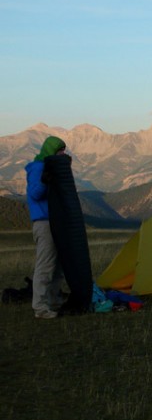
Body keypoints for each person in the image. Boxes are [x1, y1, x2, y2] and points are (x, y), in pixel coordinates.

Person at [25, 136, 67, 319]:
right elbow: (35, 193)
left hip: (56, 221)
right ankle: (41, 308)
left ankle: (54, 302)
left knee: (58, 266)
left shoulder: (53, 168)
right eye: (59, 151)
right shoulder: (37, 169)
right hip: (44, 222)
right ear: (51, 151)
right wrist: (45, 180)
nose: (62, 154)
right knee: (46, 265)